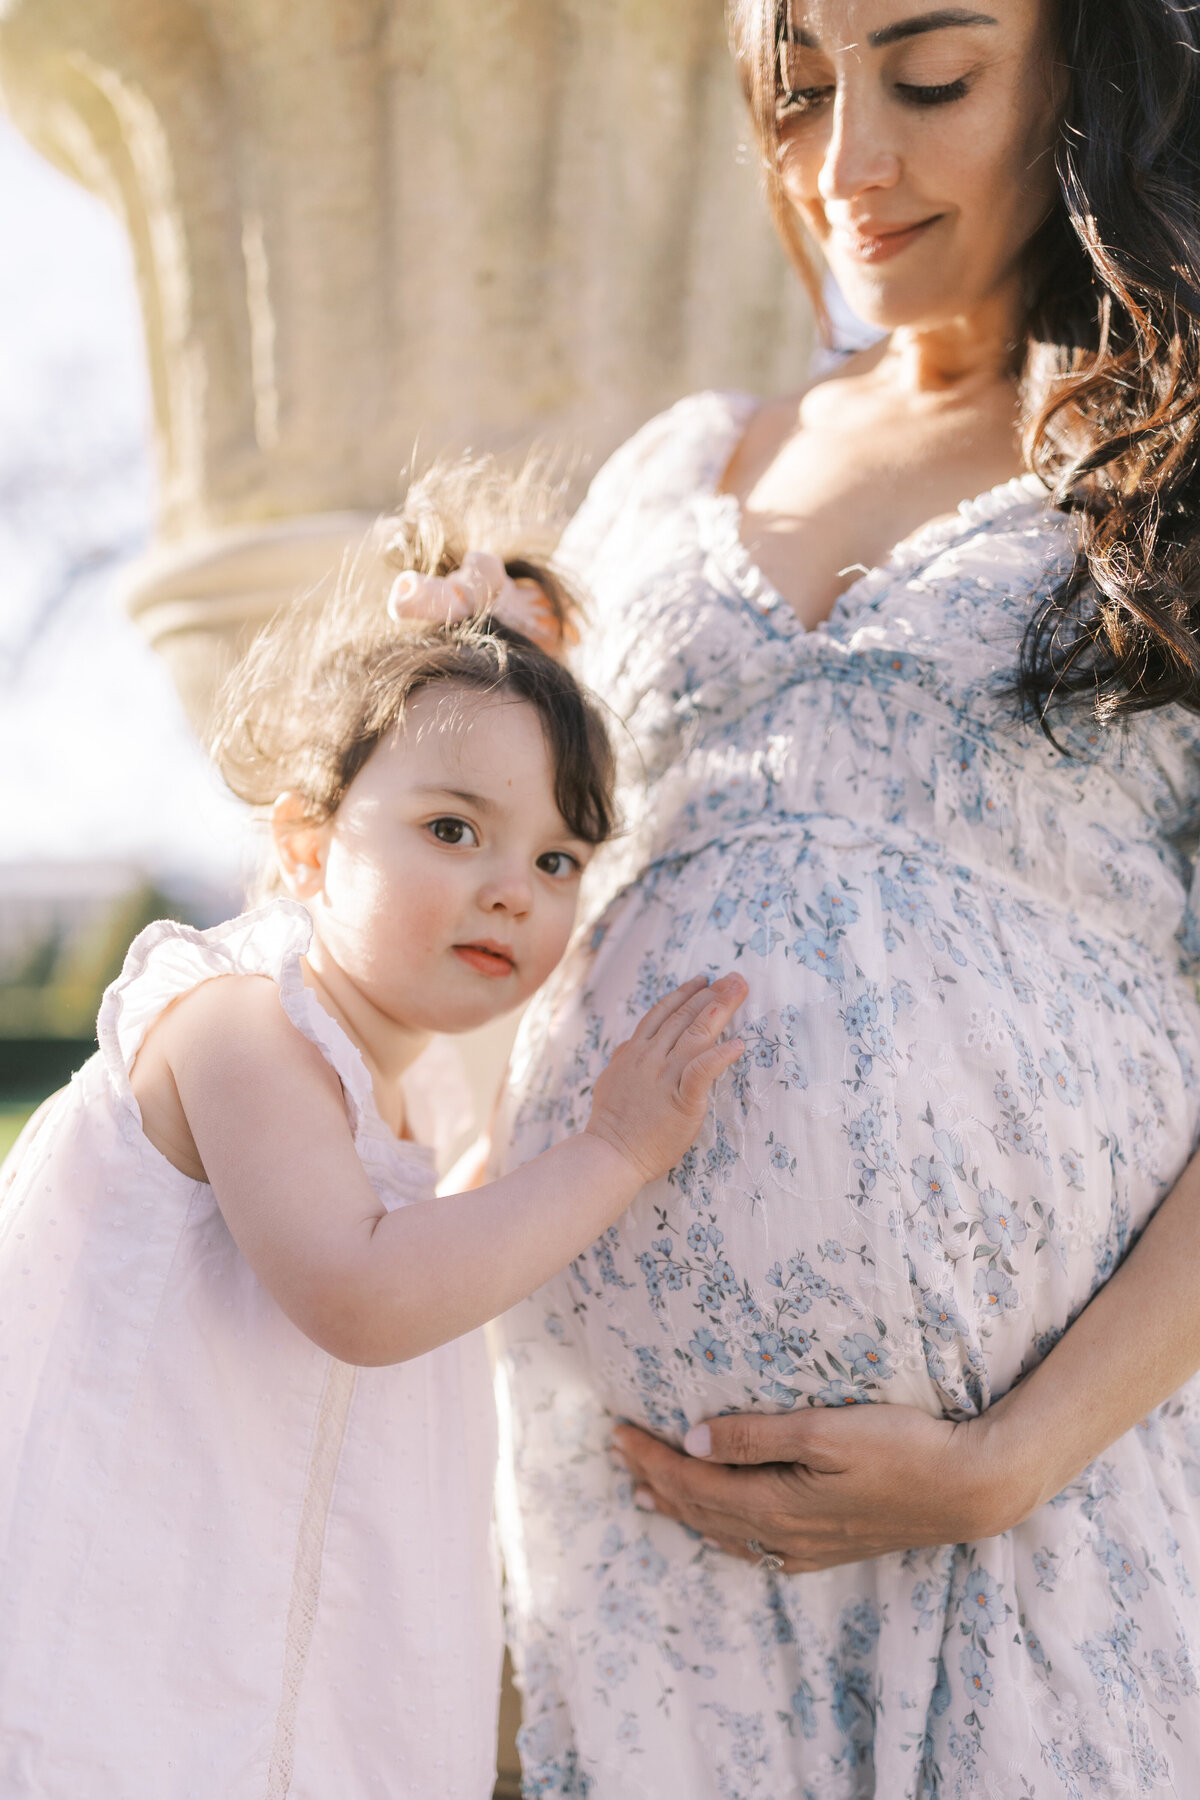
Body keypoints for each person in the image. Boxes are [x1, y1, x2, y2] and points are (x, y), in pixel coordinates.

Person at [492, 1, 1200, 1793]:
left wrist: (1011, 1456)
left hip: (1052, 1523)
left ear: (1090, 74)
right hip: (627, 1544)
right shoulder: (671, 472)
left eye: (932, 79)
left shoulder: (1176, 462)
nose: (847, 169)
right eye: (802, 94)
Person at [0, 458, 747, 1800]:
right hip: (138, 1644)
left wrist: (524, 1145)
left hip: (282, 1643)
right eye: (454, 829)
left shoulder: (420, 1091)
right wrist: (612, 1154)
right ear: (306, 844)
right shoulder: (236, 1026)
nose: (511, 891)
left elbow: (444, 1238)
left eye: (557, 859)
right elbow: (359, 1290)